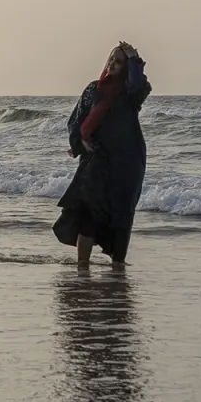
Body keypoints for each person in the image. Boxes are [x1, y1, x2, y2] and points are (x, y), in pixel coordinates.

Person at [52, 41, 152, 266]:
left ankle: (118, 269)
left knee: (121, 215)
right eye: (111, 60)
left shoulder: (131, 93)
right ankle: (82, 269)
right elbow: (76, 121)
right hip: (95, 161)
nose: (113, 64)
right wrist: (81, 141)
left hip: (126, 163)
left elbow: (138, 85)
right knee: (88, 212)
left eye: (119, 62)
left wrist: (134, 57)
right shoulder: (93, 90)